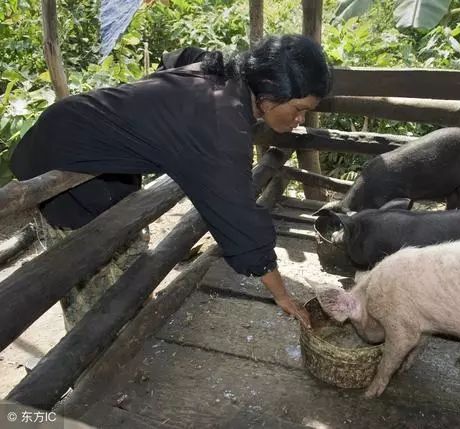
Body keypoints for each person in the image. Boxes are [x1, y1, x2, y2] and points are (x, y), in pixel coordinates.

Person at [10, 34, 332, 329]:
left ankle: (131, 328)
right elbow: (239, 219)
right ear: (273, 92)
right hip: (60, 150)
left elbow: (177, 57)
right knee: (87, 281)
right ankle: (93, 373)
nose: (300, 119)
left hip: (97, 151)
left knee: (127, 250)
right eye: (300, 109)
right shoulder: (222, 123)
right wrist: (282, 295)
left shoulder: (227, 75)